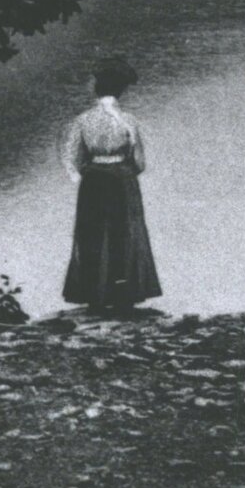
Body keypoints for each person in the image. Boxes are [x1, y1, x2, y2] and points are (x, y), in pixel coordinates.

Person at [61, 55, 163, 315]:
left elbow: (72, 159)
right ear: (121, 90)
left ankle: (94, 295)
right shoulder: (129, 120)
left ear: (97, 90)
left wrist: (86, 174)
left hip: (93, 179)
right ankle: (123, 295)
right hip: (122, 178)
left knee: (92, 235)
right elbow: (139, 163)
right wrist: (125, 169)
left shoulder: (82, 120)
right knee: (124, 235)